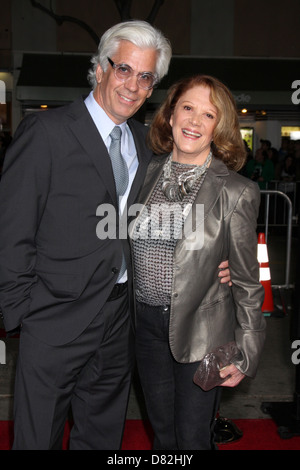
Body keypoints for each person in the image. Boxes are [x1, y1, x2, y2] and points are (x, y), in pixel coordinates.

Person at [0, 21, 230, 450]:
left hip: (121, 321)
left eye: (146, 77)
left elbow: (184, 205)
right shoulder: (46, 133)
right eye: (124, 69)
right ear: (100, 68)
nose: (133, 84)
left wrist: (220, 261)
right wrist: (22, 316)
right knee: (37, 438)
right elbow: (12, 231)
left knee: (103, 437)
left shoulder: (146, 143)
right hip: (53, 319)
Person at [129, 75, 266, 450]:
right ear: (171, 115)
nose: (194, 121)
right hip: (146, 327)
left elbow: (249, 283)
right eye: (188, 108)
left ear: (218, 128)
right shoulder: (143, 172)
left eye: (209, 114)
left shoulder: (237, 191)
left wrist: (246, 352)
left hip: (205, 331)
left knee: (192, 438)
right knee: (163, 434)